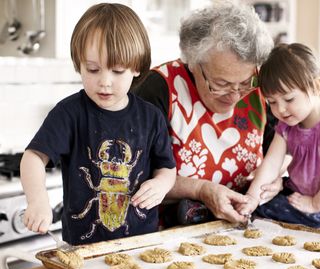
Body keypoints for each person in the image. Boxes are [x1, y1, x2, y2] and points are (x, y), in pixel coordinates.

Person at [20, 3, 176, 245]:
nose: (104, 82)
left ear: (136, 68)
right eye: (92, 69)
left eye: (117, 71)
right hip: (82, 247)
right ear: (78, 64)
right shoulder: (69, 113)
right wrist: (37, 200)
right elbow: (33, 157)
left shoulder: (151, 117)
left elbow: (166, 168)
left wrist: (161, 184)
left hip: (141, 245)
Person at [132, 1, 281, 227]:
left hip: (241, 228)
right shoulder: (159, 89)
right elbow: (133, 174)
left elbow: (281, 150)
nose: (235, 95)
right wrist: (201, 190)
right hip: (166, 232)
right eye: (221, 83)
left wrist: (275, 180)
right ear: (192, 62)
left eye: (244, 83)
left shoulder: (260, 87)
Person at [237, 43, 320, 227]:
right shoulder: (287, 125)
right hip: (301, 193)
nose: (280, 109)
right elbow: (272, 163)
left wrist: (314, 204)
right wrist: (252, 197)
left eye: (289, 99)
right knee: (256, 200)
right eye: (272, 102)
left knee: (267, 211)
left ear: (315, 86)